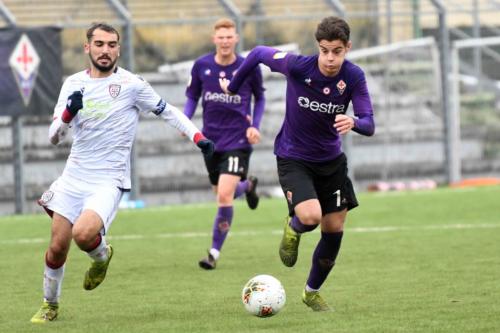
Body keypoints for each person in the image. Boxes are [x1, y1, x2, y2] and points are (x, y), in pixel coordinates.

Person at [30, 22, 214, 323]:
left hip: (108, 180)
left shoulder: (133, 85)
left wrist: (198, 137)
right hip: (73, 177)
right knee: (55, 249)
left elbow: (168, 111)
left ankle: (101, 256)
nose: (106, 50)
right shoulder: (72, 84)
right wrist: (67, 113)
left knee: (83, 234)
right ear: (87, 47)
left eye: (112, 44)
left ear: (119, 48)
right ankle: (50, 305)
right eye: (99, 44)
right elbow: (54, 136)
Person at [220, 16, 375, 311]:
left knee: (334, 229)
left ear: (347, 48)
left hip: (332, 163)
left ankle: (311, 292)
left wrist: (353, 120)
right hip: (294, 157)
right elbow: (257, 54)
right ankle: (293, 229)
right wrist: (233, 86)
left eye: (337, 51)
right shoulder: (298, 66)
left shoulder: (354, 77)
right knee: (310, 216)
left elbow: (369, 124)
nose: (330, 58)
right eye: (325, 50)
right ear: (318, 47)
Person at [184, 18, 266, 270]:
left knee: (223, 194)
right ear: (214, 39)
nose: (225, 41)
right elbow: (192, 97)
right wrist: (185, 121)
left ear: (236, 38)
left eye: (229, 36)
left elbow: (260, 98)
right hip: (210, 141)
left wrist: (255, 126)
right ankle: (248, 185)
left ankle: (213, 253)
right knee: (220, 191)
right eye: (221, 37)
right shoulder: (202, 66)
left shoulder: (248, 67)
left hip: (238, 140)